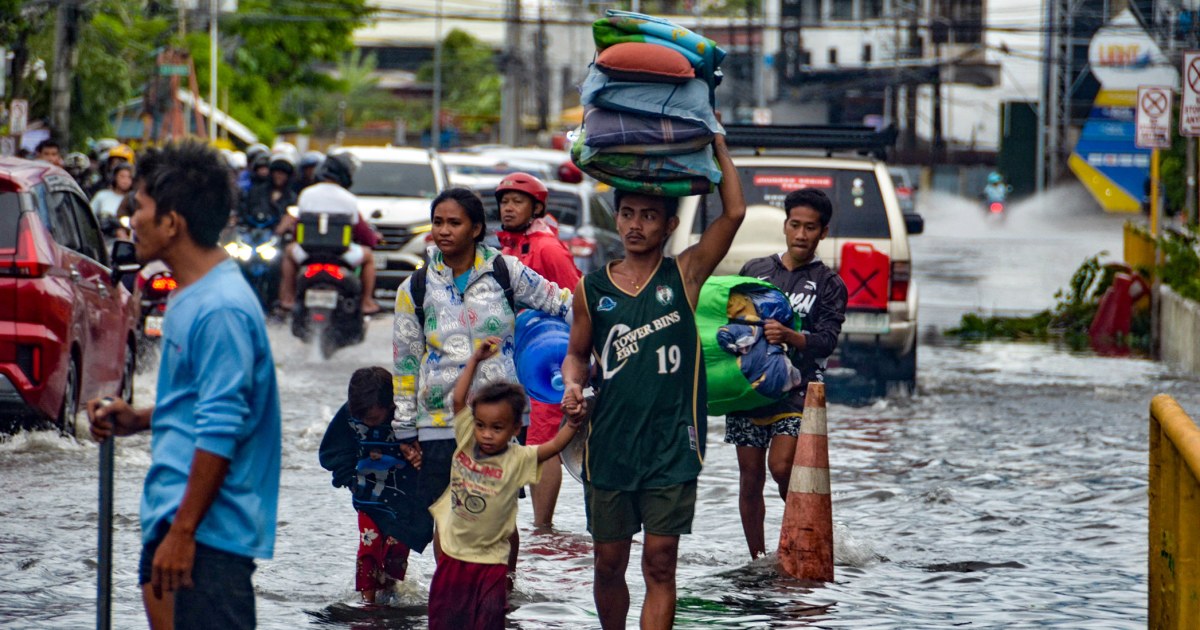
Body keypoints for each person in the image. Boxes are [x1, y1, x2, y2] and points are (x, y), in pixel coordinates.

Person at [86, 140, 281, 630]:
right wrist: (139, 419)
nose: (132, 220)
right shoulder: (191, 295)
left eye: (141, 207)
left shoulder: (221, 308)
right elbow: (201, 402)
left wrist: (183, 533)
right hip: (176, 519)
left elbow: (223, 426)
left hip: (206, 537)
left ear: (172, 222)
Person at [560, 132, 745, 629]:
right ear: (616, 218)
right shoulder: (590, 288)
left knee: (660, 562)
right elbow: (576, 356)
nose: (635, 225)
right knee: (608, 564)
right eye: (627, 214)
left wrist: (718, 144)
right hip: (610, 444)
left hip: (672, 443)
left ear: (669, 225)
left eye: (647, 216)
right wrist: (572, 386)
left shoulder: (684, 275)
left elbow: (733, 214)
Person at [391, 187, 573, 591]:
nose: (444, 231)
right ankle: (452, 593)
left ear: (476, 229)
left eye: (454, 223)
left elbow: (564, 303)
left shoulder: (506, 272)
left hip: (500, 419)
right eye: (438, 222)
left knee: (500, 512)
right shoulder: (415, 288)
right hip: (439, 420)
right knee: (447, 513)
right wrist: (404, 428)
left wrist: (586, 353)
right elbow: (405, 363)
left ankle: (502, 593)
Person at [428, 336, 582, 629]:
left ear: (515, 428)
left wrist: (573, 424)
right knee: (446, 621)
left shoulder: (518, 457)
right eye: (481, 425)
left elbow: (552, 447)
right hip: (453, 558)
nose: (486, 434)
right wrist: (475, 360)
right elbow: (459, 400)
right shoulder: (467, 439)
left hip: (492, 564)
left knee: (490, 621)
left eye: (497, 428)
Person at [728, 188, 847, 560]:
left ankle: (807, 536)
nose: (801, 234)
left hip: (800, 391)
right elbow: (732, 321)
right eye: (795, 225)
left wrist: (791, 336)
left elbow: (827, 341)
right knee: (750, 478)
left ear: (823, 232)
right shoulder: (755, 271)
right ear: (785, 225)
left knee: (782, 467)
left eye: (810, 228)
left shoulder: (829, 284)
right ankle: (758, 559)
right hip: (750, 390)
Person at [494, 172, 582, 530]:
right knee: (524, 436)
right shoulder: (508, 247)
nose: (509, 208)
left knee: (543, 441)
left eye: (517, 202)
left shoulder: (547, 247)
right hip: (520, 358)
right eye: (504, 201)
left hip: (550, 359)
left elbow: (577, 300)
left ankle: (543, 528)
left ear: (536, 208)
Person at [319, 367, 427, 604]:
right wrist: (349, 479)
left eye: (373, 419)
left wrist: (422, 462)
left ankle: (388, 595)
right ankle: (368, 604)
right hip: (369, 498)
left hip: (407, 502)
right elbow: (332, 450)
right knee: (369, 548)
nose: (366, 423)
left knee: (396, 552)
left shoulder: (408, 416)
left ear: (390, 405)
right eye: (362, 419)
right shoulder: (350, 414)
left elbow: (432, 447)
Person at [277, 151, 382, 315]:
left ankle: (288, 297)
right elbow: (362, 233)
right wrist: (374, 239)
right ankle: (366, 302)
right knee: (368, 257)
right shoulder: (349, 199)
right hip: (342, 255)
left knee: (289, 253)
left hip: (308, 253)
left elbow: (298, 229)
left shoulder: (306, 194)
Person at [240, 152, 297, 229]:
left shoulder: (292, 198)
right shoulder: (256, 192)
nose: (279, 176)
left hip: (279, 234)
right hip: (254, 230)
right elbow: (245, 212)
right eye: (277, 173)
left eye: (283, 174)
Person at [91, 162, 134, 239]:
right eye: (122, 176)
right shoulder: (102, 195)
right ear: (115, 177)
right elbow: (89, 215)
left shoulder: (134, 199)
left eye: (129, 177)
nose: (125, 180)